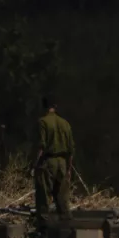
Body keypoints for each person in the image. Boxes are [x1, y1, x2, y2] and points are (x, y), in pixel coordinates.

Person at [31, 96, 74, 227]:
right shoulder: (65, 123)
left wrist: (35, 165)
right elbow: (71, 150)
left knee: (43, 198)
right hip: (62, 162)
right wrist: (69, 169)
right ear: (55, 107)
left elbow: (41, 146)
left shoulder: (43, 122)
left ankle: (44, 231)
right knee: (62, 199)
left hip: (48, 162)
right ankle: (66, 229)